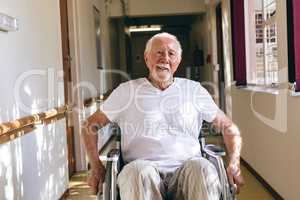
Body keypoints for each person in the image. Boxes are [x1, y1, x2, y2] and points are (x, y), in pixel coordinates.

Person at [83, 32, 244, 200]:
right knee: (137, 172)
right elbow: (90, 125)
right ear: (146, 58)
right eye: (159, 53)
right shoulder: (126, 91)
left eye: (171, 53)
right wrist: (96, 166)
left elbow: (228, 127)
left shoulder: (194, 90)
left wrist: (234, 164)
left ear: (178, 61)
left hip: (188, 170)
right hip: (142, 171)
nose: (165, 58)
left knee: (203, 169)